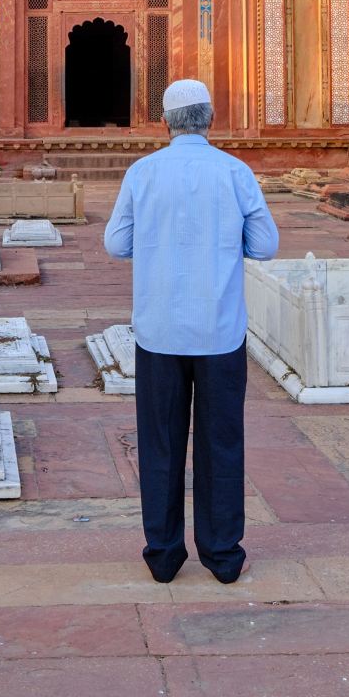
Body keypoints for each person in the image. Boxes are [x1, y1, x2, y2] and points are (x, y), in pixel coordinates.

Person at [104, 78, 279, 584]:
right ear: (210, 120)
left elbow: (116, 244)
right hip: (219, 331)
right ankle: (222, 555)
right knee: (221, 442)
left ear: (165, 122)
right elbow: (265, 245)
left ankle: (163, 555)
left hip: (158, 332)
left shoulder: (143, 173)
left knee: (159, 443)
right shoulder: (234, 172)